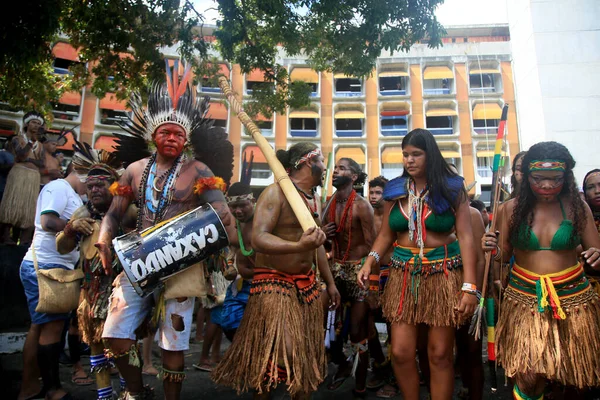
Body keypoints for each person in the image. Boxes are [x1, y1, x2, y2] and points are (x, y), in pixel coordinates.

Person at [96, 63, 235, 400]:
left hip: (181, 266)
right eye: (165, 133)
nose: (172, 138)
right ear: (152, 136)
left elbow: (223, 216)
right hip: (138, 261)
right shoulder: (133, 170)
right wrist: (103, 239)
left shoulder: (199, 170)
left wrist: (215, 236)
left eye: (178, 134)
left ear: (186, 138)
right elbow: (113, 215)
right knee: (115, 336)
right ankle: (136, 390)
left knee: (173, 342)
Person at [212, 142, 341, 399]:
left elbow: (315, 247)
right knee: (286, 354)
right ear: (307, 161)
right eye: (322, 161)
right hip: (273, 284)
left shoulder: (311, 197)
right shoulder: (275, 192)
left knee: (305, 360)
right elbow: (259, 238)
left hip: (306, 286)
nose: (326, 168)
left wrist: (331, 282)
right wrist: (297, 244)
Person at [357, 128, 478, 400]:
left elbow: (467, 238)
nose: (409, 160)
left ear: (430, 155)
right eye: (405, 155)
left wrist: (470, 287)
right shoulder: (395, 190)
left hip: (443, 274)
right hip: (403, 276)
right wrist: (370, 261)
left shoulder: (452, 188)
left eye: (416, 154)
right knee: (400, 352)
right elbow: (387, 234)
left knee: (440, 354)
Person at [482, 141, 600, 399]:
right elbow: (501, 256)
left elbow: (597, 252)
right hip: (525, 301)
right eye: (539, 178)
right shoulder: (510, 209)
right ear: (526, 177)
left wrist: (596, 256)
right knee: (529, 376)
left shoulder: (578, 208)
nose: (547, 185)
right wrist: (490, 247)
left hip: (574, 300)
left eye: (555, 179)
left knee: (573, 379)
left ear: (566, 176)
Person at [56, 141, 129, 399]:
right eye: (90, 186)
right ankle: (104, 395)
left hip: (121, 291)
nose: (94, 190)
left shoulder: (126, 212)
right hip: (92, 291)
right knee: (96, 346)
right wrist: (70, 228)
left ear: (113, 185)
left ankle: (128, 391)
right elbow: (63, 247)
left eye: (100, 185)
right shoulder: (82, 211)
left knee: (123, 346)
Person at [18, 162, 87, 400]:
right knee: (52, 329)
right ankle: (51, 389)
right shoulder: (58, 187)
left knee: (40, 328)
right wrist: (74, 226)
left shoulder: (73, 194)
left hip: (54, 268)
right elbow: (48, 222)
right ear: (80, 171)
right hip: (46, 268)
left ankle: (30, 387)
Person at [322, 158, 376, 397]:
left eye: (342, 169)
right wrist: (322, 234)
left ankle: (361, 385)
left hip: (358, 273)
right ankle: (342, 363)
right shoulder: (328, 204)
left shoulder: (362, 206)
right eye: (335, 168)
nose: (336, 172)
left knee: (357, 330)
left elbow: (373, 245)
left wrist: (373, 284)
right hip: (334, 270)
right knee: (320, 321)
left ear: (354, 177)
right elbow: (321, 242)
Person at [366, 176, 398, 399]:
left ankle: (395, 378)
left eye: (378, 193)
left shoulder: (394, 215)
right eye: (372, 192)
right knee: (364, 323)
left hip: (395, 273)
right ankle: (380, 364)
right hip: (372, 275)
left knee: (395, 328)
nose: (374, 197)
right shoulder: (365, 213)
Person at [212, 182, 256, 341]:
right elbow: (232, 251)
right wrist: (230, 266)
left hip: (264, 283)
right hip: (241, 283)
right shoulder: (232, 223)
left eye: (243, 205)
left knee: (257, 327)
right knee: (230, 324)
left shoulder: (264, 221)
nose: (238, 210)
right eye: (233, 206)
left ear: (253, 201)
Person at [0, 111, 45, 246]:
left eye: (38, 123)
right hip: (18, 174)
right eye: (33, 122)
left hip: (33, 177)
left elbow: (41, 163)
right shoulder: (17, 139)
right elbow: (20, 156)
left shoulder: (41, 145)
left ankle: (25, 240)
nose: (36, 125)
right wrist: (31, 142)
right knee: (12, 205)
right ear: (27, 124)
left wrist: (28, 159)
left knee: (28, 208)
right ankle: (6, 237)